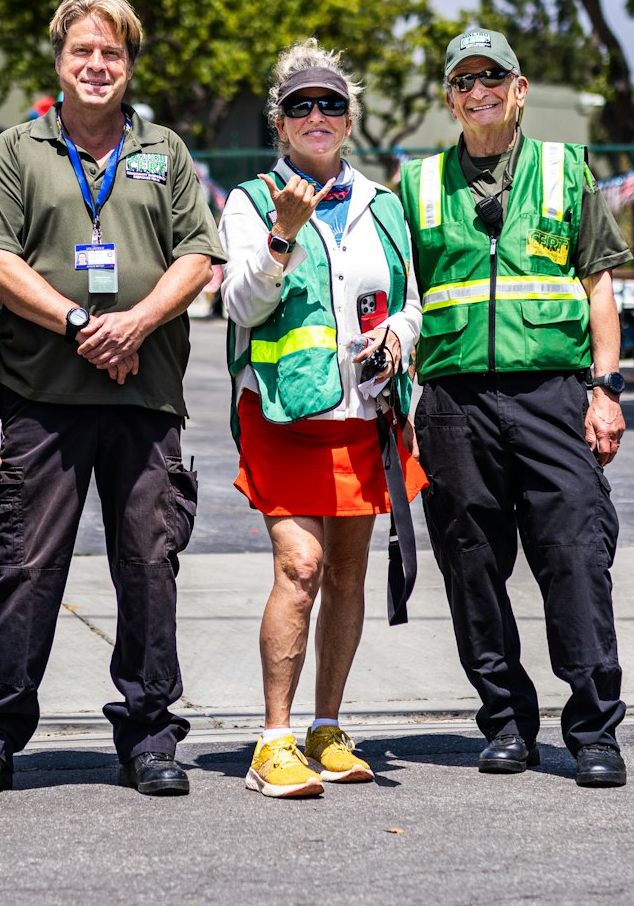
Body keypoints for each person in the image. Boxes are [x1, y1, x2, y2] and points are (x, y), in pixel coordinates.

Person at [0, 0, 224, 801]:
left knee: (149, 567)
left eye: (113, 54)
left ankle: (148, 733)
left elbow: (197, 257)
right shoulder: (17, 150)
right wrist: (80, 322)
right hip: (44, 397)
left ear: (129, 65)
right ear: (59, 62)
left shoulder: (164, 150)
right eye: (83, 53)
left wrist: (133, 323)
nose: (97, 66)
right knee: (22, 567)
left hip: (143, 402)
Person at [400, 28, 634, 790]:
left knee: (574, 553)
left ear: (519, 88)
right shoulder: (417, 184)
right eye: (464, 81)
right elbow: (397, 295)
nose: (479, 91)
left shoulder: (567, 169)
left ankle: (593, 728)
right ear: (449, 98)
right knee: (470, 563)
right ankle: (505, 720)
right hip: (453, 402)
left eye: (492, 77)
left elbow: (599, 283)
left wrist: (607, 389)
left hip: (553, 395)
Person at [220, 41, 424, 799]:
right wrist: (281, 234)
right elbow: (240, 304)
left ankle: (327, 726)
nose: (317, 114)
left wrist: (399, 337)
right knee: (299, 570)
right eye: (300, 104)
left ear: (349, 119)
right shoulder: (248, 200)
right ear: (279, 122)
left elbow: (409, 300)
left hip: (365, 416)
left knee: (347, 574)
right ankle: (272, 740)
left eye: (330, 102)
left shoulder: (383, 204)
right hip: (284, 413)